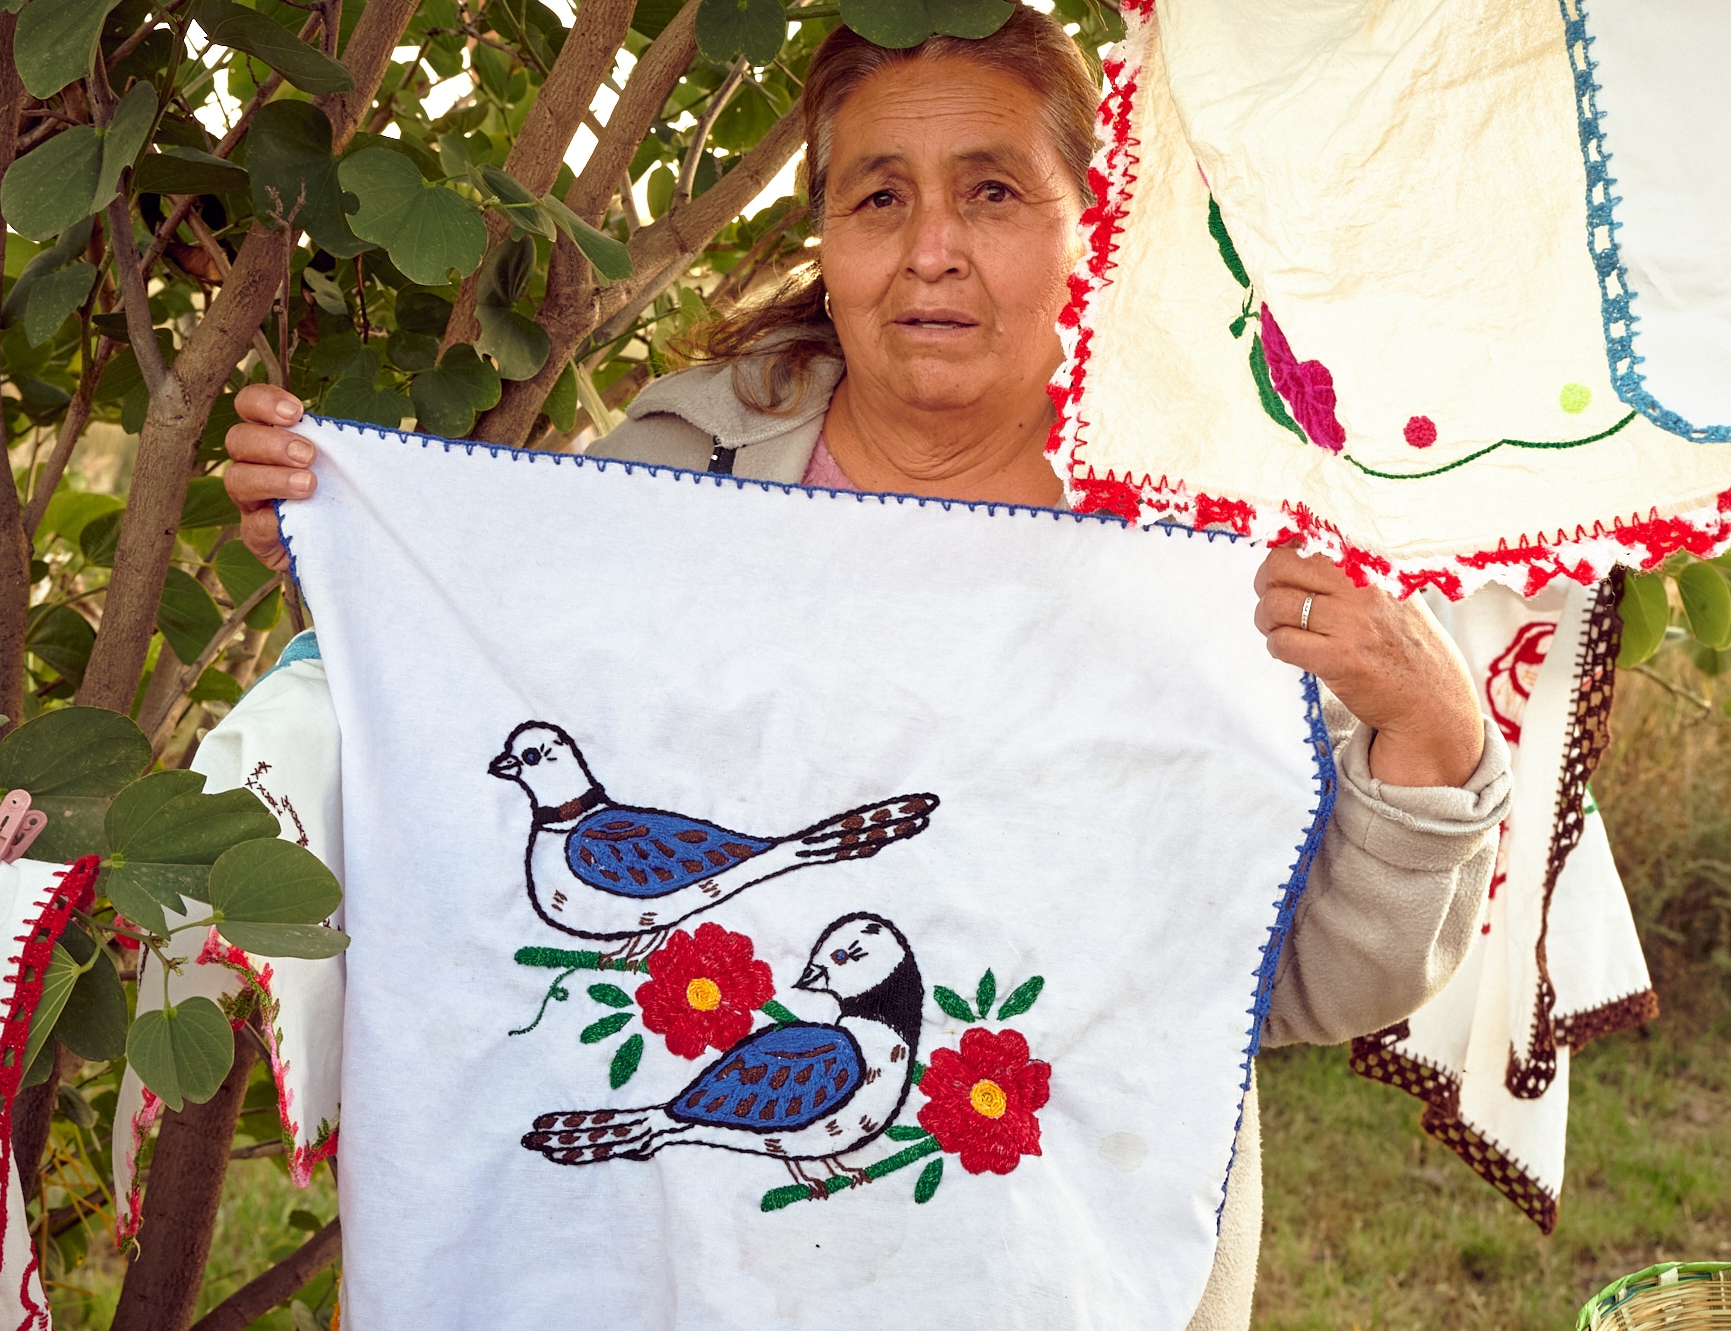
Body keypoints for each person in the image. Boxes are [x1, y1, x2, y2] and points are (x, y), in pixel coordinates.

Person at [224, 7, 1508, 1326]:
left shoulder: (1223, 547)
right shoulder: (670, 483)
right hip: (672, 1282)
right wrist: (349, 556)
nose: (931, 249)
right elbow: (473, 736)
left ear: (1096, 220)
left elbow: (1299, 979)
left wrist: (1430, 733)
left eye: (993, 192)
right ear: (827, 243)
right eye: (879, 197)